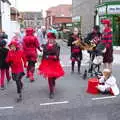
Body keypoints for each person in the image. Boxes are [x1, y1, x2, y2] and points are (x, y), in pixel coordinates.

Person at [38, 32, 64, 99]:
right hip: (47, 64)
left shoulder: (57, 46)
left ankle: (53, 81)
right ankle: (51, 92)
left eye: (52, 39)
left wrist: (49, 56)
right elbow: (44, 55)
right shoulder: (45, 45)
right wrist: (42, 62)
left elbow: (57, 56)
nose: (50, 40)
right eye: (49, 38)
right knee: (49, 77)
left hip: (55, 63)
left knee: (54, 77)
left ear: (54, 39)